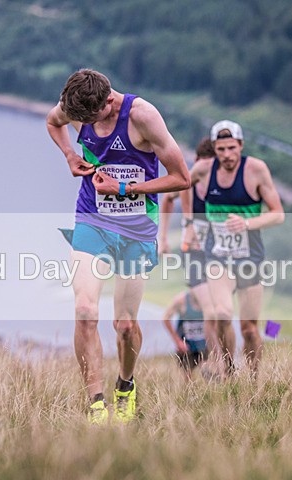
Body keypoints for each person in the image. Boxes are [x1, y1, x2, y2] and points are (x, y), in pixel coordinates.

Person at [46, 69, 190, 424]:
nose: (83, 127)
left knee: (125, 325)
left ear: (108, 102)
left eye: (88, 120)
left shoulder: (143, 116)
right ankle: (96, 402)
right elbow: (53, 121)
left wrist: (125, 190)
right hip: (92, 219)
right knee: (84, 309)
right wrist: (68, 155)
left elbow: (181, 179)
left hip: (136, 227)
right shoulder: (78, 105)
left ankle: (125, 385)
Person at [181, 120, 284, 379]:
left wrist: (247, 223)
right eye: (220, 149)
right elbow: (180, 184)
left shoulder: (256, 170)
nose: (226, 155)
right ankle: (228, 370)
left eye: (231, 148)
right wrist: (190, 221)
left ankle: (252, 376)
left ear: (240, 145)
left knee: (249, 329)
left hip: (250, 258)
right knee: (222, 314)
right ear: (214, 149)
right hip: (217, 257)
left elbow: (278, 214)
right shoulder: (204, 169)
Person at [158, 136, 220, 377]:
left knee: (220, 310)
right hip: (193, 251)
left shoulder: (218, 181)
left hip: (217, 252)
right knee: (210, 310)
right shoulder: (190, 177)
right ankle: (214, 364)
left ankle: (220, 361)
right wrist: (163, 237)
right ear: (197, 161)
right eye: (205, 164)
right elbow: (167, 198)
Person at [162, 289, 207, 382]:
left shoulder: (209, 300)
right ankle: (189, 394)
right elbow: (165, 318)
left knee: (208, 375)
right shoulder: (181, 300)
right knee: (188, 379)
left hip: (204, 345)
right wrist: (178, 341)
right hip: (187, 346)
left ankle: (210, 395)